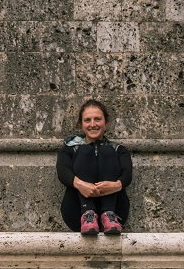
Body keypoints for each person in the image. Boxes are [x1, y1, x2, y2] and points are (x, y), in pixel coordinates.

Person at [56, 99, 133, 235]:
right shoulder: (69, 149)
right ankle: (88, 214)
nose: (93, 124)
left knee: (107, 150)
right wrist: (80, 184)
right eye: (87, 120)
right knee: (85, 150)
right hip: (77, 212)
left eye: (97, 119)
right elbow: (62, 172)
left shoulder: (118, 150)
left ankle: (108, 214)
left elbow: (127, 174)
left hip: (116, 212)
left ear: (106, 122)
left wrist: (116, 185)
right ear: (81, 124)